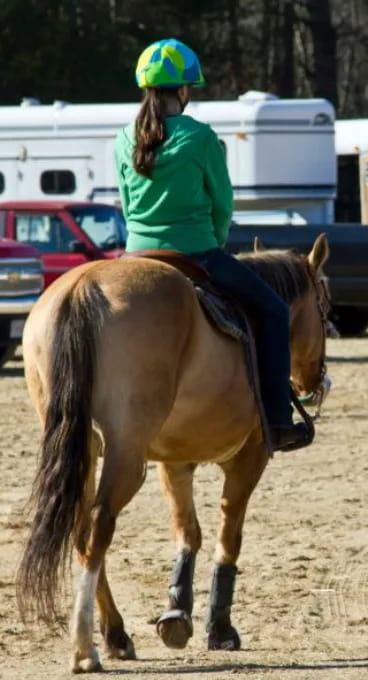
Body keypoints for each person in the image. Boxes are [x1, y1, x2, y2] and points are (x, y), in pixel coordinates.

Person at [114, 38, 310, 452]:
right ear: (184, 90)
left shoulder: (123, 138)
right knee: (274, 311)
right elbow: (223, 203)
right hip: (196, 252)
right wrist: (216, 242)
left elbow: (128, 206)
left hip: (133, 254)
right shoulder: (201, 137)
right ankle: (278, 419)